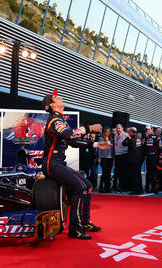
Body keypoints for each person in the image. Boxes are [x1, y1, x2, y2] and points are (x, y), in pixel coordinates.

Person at [41, 90, 110, 239]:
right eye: (57, 97)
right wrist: (89, 128)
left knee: (88, 186)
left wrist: (96, 144)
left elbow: (73, 141)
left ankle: (85, 222)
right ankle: (75, 229)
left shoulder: (60, 120)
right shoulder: (54, 120)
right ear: (52, 105)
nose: (60, 97)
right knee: (79, 187)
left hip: (59, 163)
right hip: (52, 165)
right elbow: (70, 135)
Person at [123, 127, 143, 195]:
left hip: (133, 159)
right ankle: (140, 188)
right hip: (138, 159)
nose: (128, 133)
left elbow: (123, 143)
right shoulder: (138, 138)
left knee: (134, 175)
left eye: (129, 132)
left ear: (131, 132)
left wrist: (128, 137)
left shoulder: (132, 139)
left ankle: (136, 189)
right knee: (138, 174)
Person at [113, 124, 129, 192]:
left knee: (124, 172)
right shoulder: (116, 136)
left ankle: (124, 187)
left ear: (122, 128)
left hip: (124, 155)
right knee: (118, 172)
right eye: (117, 128)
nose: (118, 130)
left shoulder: (126, 135)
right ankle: (119, 186)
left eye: (119, 128)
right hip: (117, 155)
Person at [98, 127, 113, 193]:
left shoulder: (112, 139)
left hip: (110, 158)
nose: (108, 133)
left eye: (109, 131)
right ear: (104, 132)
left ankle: (108, 187)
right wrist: (99, 157)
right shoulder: (101, 138)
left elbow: (113, 149)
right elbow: (99, 148)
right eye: (107, 131)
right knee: (104, 173)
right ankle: (101, 188)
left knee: (108, 173)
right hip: (104, 157)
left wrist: (114, 158)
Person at [143, 125, 157, 193]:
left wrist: (159, 158)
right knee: (148, 173)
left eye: (148, 129)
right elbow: (143, 147)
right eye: (146, 130)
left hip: (154, 157)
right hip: (148, 157)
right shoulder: (145, 138)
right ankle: (147, 187)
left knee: (154, 173)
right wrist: (145, 137)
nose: (147, 131)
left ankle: (154, 187)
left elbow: (160, 148)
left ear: (152, 129)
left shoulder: (156, 137)